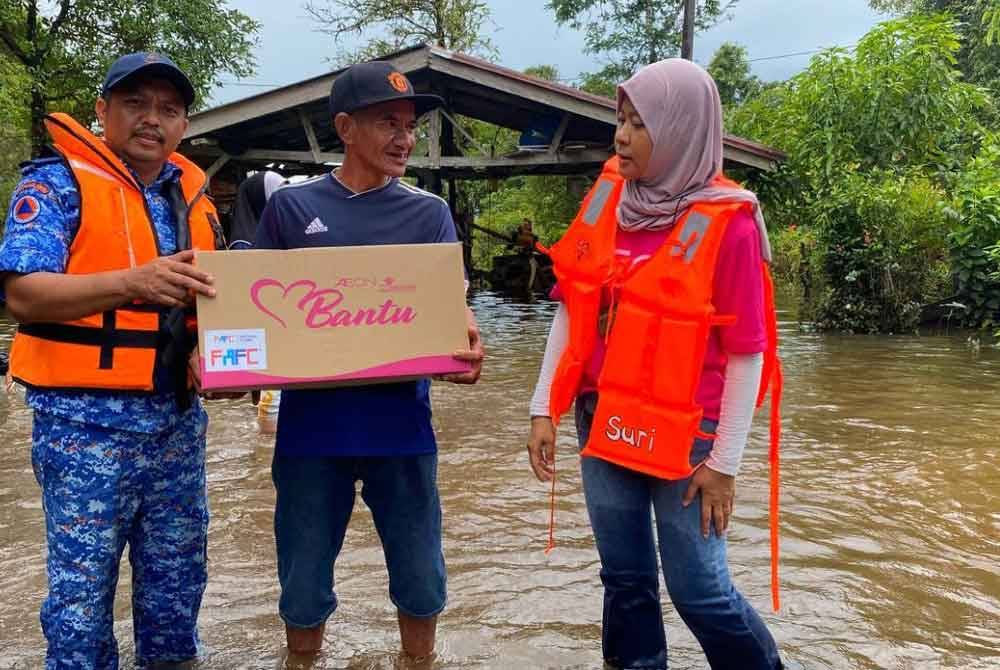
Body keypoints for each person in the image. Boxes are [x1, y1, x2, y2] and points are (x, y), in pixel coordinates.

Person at [526, 59, 784, 670]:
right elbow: (572, 310)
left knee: (701, 592)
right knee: (625, 580)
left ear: (681, 130)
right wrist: (544, 407)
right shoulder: (611, 199)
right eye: (621, 120)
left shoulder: (732, 225)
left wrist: (724, 467)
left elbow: (749, 354)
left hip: (691, 440)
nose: (622, 136)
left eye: (639, 124)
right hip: (603, 421)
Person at [0, 53, 224, 669]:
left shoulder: (193, 198)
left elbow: (216, 309)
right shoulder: (54, 185)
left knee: (178, 591)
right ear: (102, 112)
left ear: (184, 124)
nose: (152, 119)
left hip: (177, 427)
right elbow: (21, 294)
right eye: (136, 103)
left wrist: (219, 359)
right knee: (81, 600)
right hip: (83, 428)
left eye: (169, 109)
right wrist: (133, 282)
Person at [254, 61, 485, 659]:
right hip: (310, 433)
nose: (404, 138)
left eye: (409, 126)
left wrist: (467, 341)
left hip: (402, 429)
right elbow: (253, 311)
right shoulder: (290, 210)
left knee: (421, 581)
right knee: (301, 585)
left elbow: (452, 311)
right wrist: (223, 362)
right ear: (345, 127)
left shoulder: (428, 214)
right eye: (388, 122)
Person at [227, 169, 286, 433]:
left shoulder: (272, 234)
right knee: (270, 407)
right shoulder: (244, 248)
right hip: (267, 336)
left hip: (273, 335)